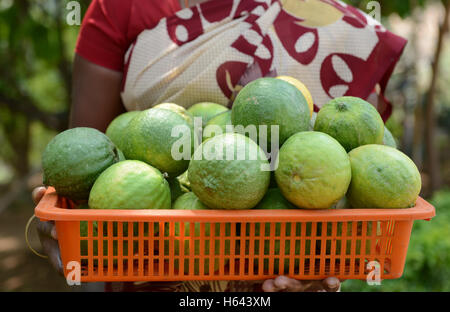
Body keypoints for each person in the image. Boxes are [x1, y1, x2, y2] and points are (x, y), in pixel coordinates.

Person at [32, 0, 406, 292]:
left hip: (285, 255)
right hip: (147, 258)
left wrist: (325, 264)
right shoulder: (122, 6)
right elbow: (89, 159)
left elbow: (358, 174)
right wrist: (66, 236)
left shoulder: (335, 22)